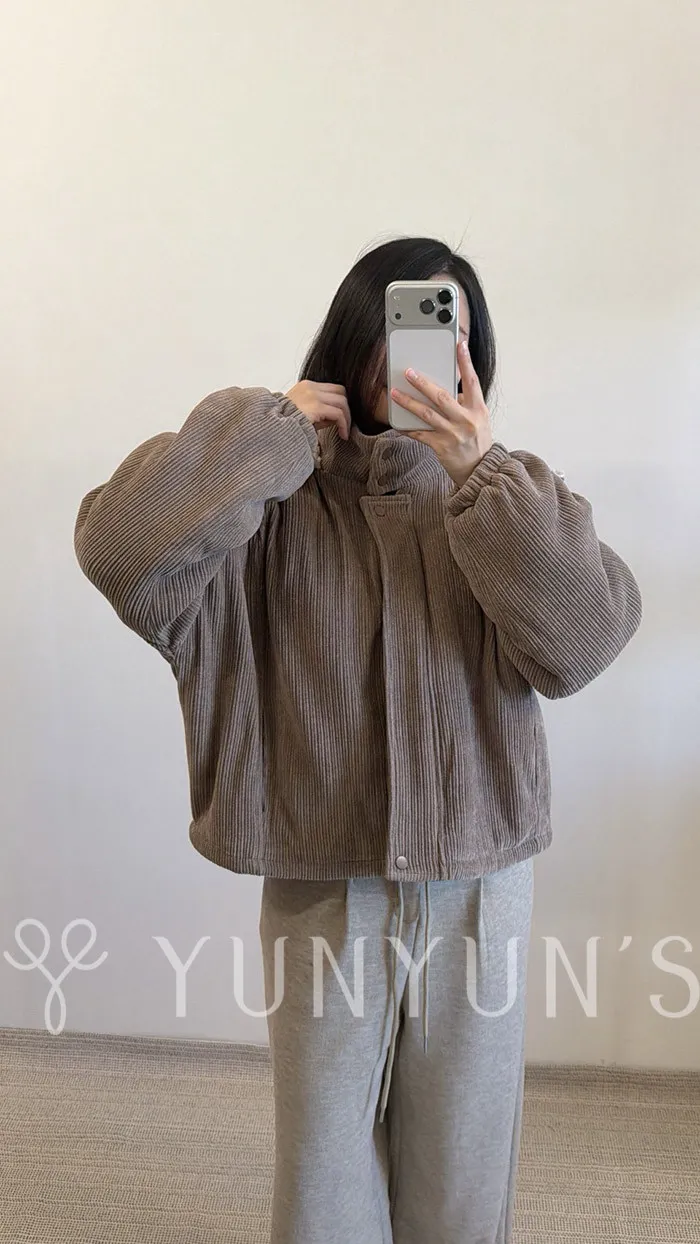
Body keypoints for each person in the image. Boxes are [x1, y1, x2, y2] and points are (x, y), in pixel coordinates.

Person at [74, 236, 643, 1243]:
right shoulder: (268, 498)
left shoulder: (500, 500)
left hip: (478, 880)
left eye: (443, 327)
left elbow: (588, 640)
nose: (417, 350)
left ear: (472, 355)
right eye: (399, 320)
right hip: (322, 878)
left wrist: (482, 474)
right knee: (325, 1167)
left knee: (462, 1167)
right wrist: (271, 432)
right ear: (351, 334)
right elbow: (121, 549)